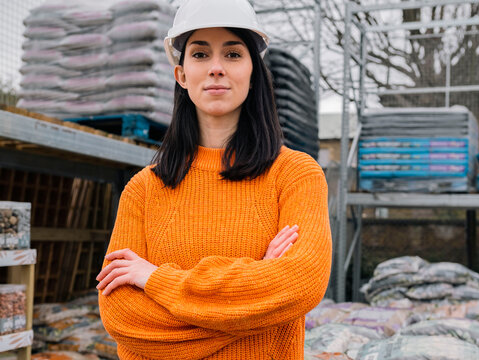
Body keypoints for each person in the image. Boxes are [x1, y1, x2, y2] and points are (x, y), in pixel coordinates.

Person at [96, 0, 332, 358]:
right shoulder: (143, 189)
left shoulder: (296, 175)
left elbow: (301, 284)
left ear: (254, 73)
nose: (217, 68)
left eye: (233, 54)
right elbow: (122, 317)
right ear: (181, 75)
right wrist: (255, 298)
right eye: (201, 54)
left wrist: (155, 279)